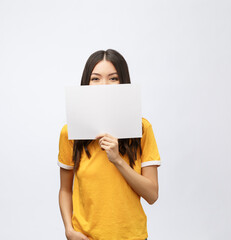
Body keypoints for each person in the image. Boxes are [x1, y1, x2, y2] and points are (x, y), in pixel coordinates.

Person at [58, 49, 161, 240]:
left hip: (132, 236)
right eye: (95, 78)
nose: (104, 85)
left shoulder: (142, 129)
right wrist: (69, 230)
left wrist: (118, 160)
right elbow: (65, 189)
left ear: (123, 82)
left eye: (113, 78)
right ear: (86, 83)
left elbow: (152, 195)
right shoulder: (70, 133)